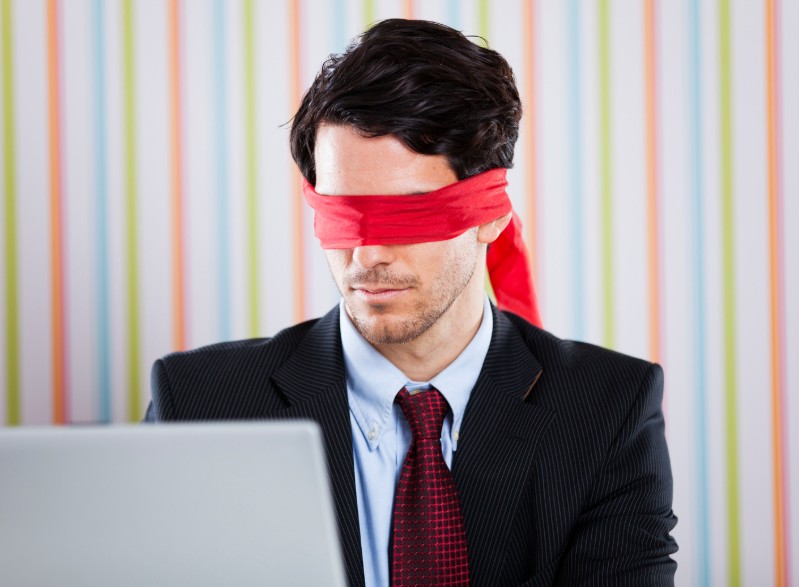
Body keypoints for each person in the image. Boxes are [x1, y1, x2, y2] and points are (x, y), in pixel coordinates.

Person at [145, 18, 677, 587]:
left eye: (412, 212)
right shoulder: (200, 405)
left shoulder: (607, 411)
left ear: (491, 212)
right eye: (343, 213)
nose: (368, 254)